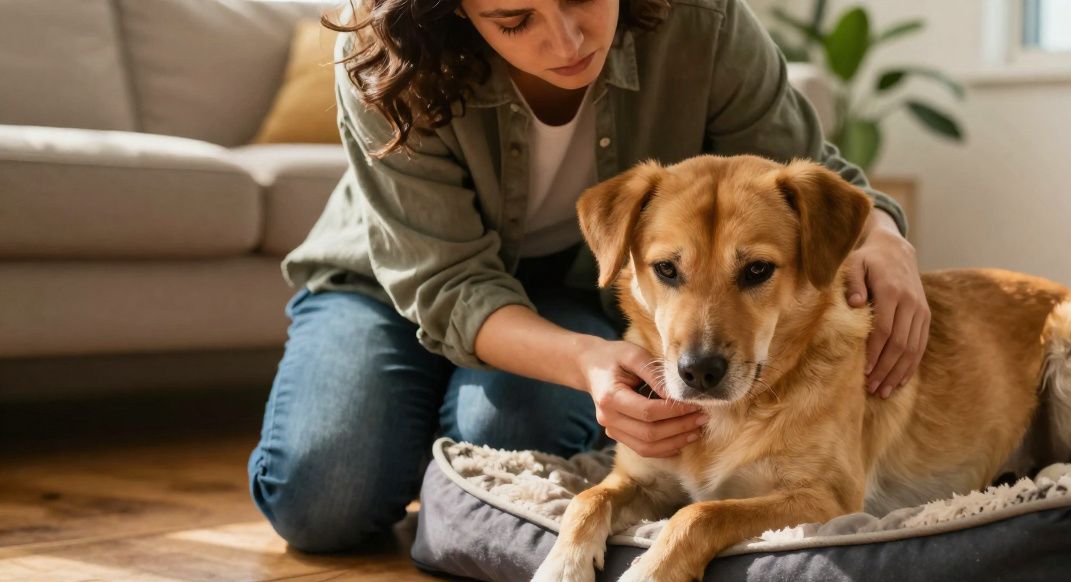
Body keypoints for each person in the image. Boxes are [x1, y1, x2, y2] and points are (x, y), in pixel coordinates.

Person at [248, 0, 931, 553]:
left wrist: (887, 235)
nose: (567, 38)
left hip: (565, 292)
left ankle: (446, 442)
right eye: (515, 19)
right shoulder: (382, 61)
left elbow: (805, 172)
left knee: (509, 439)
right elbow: (446, 282)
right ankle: (415, 432)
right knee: (321, 500)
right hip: (392, 285)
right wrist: (585, 362)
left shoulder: (701, 20)